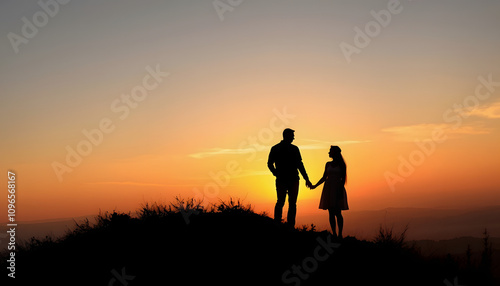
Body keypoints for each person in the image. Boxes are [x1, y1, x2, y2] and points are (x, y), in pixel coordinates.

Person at [268, 128, 312, 227]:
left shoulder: (277, 148)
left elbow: (270, 164)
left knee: (283, 202)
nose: (293, 138)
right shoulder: (290, 149)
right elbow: (300, 165)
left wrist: (276, 173)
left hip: (288, 179)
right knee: (289, 203)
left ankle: (279, 224)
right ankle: (288, 225)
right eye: (292, 136)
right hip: (289, 179)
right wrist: (276, 173)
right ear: (287, 136)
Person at [311, 146, 349, 239]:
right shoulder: (327, 164)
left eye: (330, 151)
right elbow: (324, 177)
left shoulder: (342, 165)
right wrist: (315, 185)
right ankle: (334, 233)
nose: (329, 153)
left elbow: (343, 179)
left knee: (338, 212)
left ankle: (340, 233)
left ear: (335, 153)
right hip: (328, 188)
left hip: (337, 188)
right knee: (331, 212)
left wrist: (340, 191)